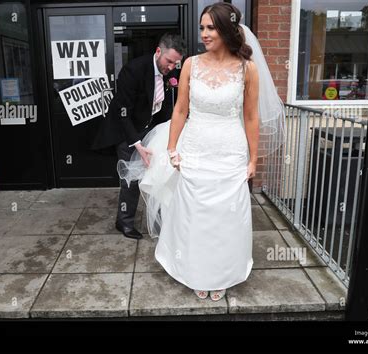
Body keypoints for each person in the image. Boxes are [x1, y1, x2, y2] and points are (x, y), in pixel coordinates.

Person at [117, 2, 286, 301]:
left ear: (226, 29)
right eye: (202, 27)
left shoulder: (248, 69)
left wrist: (252, 158)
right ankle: (195, 270)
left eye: (210, 28)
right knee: (194, 213)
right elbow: (181, 109)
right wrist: (172, 147)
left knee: (225, 216)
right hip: (195, 148)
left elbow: (250, 117)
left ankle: (221, 273)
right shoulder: (192, 65)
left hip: (230, 151)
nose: (204, 34)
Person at [91, 34, 186, 240]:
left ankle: (163, 219)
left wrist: (168, 132)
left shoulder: (169, 72)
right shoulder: (133, 70)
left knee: (161, 172)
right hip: (126, 131)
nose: (171, 67)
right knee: (131, 178)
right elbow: (122, 111)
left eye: (175, 63)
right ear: (158, 52)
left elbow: (164, 106)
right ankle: (123, 222)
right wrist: (137, 144)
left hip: (149, 127)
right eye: (169, 61)